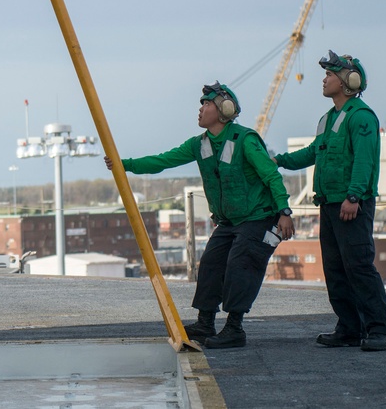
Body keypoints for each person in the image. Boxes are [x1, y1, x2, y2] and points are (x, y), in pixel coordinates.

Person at [104, 82, 294, 349]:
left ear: (224, 110)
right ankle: (205, 323)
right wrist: (124, 165)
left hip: (257, 218)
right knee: (211, 264)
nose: (200, 109)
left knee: (241, 265)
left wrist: (284, 212)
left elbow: (271, 175)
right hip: (229, 222)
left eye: (206, 104)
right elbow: (163, 161)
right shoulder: (199, 144)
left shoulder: (245, 140)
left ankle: (234, 328)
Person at [273, 51, 386, 351]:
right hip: (329, 205)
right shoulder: (329, 119)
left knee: (359, 267)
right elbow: (313, 152)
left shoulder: (361, 117)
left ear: (347, 81)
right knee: (336, 269)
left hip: (351, 204)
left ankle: (380, 330)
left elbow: (364, 161)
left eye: (330, 75)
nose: (324, 79)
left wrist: (353, 196)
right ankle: (350, 328)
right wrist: (278, 160)